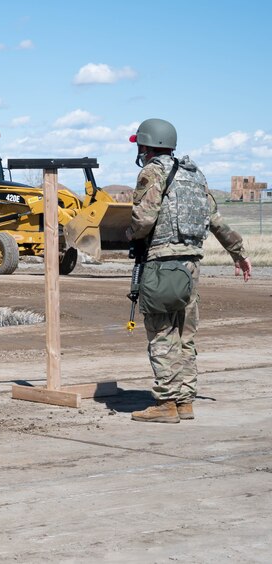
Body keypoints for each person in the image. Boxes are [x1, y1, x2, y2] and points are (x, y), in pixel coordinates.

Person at [125, 118, 252, 423]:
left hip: (162, 265)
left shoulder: (152, 172)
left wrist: (129, 235)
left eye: (140, 145)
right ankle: (185, 401)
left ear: (147, 146)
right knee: (185, 334)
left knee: (161, 333)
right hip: (191, 266)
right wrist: (238, 253)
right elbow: (215, 220)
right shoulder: (194, 175)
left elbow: (144, 220)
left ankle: (166, 403)